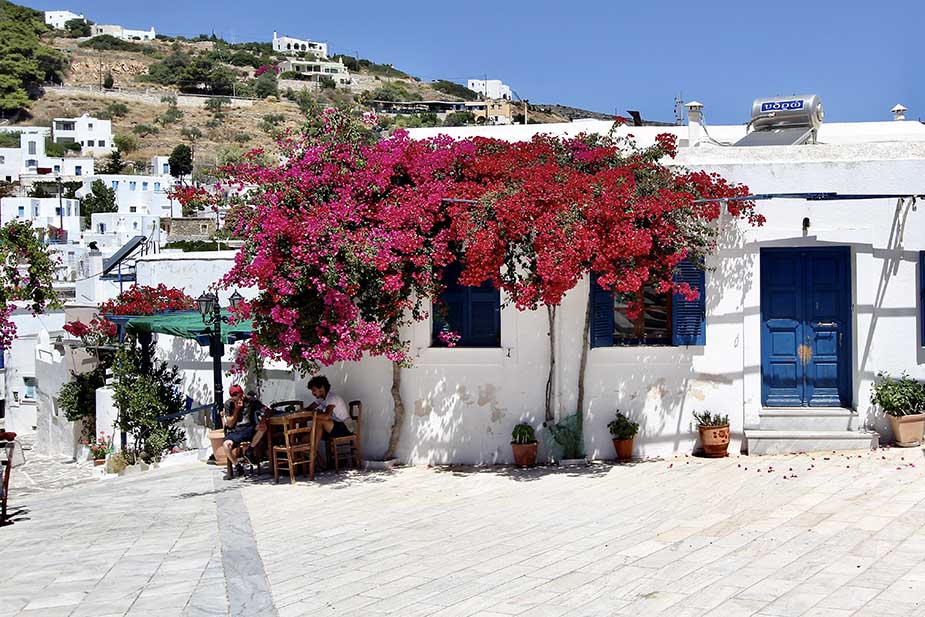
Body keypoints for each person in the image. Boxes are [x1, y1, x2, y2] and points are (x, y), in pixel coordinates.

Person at [222, 385, 263, 479]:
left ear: (242, 394)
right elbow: (230, 424)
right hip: (235, 431)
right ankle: (237, 465)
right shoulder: (229, 404)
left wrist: (264, 416)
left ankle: (250, 450)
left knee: (262, 427)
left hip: (249, 429)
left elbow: (262, 409)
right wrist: (236, 409)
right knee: (226, 445)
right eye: (233, 397)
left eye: (237, 396)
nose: (236, 399)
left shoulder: (250, 401)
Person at [307, 376, 352, 457]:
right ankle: (319, 462)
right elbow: (308, 409)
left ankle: (312, 452)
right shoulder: (321, 399)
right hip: (334, 427)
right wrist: (303, 412)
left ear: (321, 388)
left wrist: (311, 415)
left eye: (314, 390)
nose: (312, 393)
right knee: (306, 438)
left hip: (345, 427)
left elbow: (326, 416)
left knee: (320, 421)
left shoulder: (332, 397)